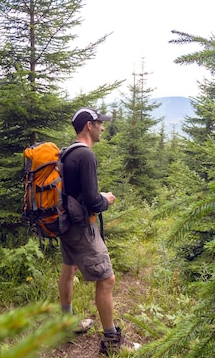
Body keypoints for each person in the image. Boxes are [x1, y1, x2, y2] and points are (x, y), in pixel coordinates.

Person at [58, 107, 140, 355]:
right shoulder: (85, 156)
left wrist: (95, 197)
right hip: (81, 227)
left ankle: (66, 323)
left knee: (69, 269)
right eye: (99, 123)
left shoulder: (66, 153)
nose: (102, 127)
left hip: (65, 223)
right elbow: (93, 201)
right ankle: (111, 341)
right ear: (88, 126)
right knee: (107, 279)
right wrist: (106, 200)